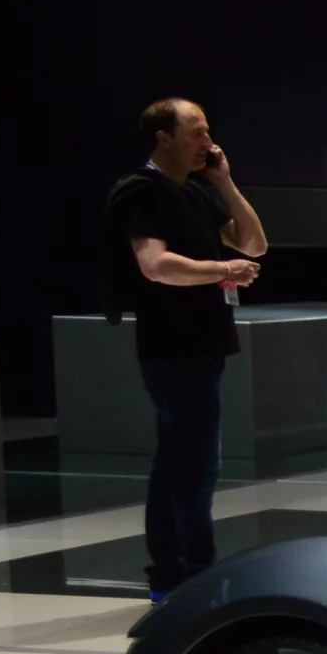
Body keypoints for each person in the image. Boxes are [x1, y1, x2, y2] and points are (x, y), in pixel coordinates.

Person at [100, 97, 266, 595]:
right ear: (163, 138)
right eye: (196, 133)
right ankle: (193, 570)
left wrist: (223, 181)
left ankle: (173, 572)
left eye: (208, 132)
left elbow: (254, 244)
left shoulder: (196, 191)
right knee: (193, 462)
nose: (207, 143)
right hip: (172, 347)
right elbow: (154, 264)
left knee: (180, 459)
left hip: (205, 343)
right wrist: (222, 271)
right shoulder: (142, 192)